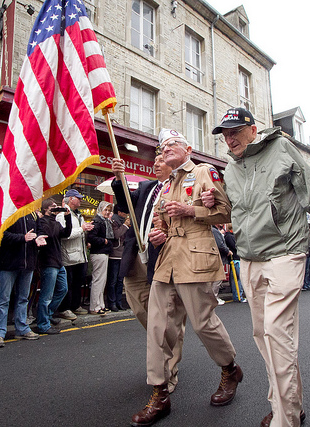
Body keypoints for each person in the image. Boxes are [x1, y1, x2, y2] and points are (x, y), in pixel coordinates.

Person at [209, 107, 310, 427]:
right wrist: (213, 204)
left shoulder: (281, 149)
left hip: (285, 254)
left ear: (252, 130)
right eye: (225, 135)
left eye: (235, 132)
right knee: (264, 335)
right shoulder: (231, 170)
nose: (230, 140)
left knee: (276, 335)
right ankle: (292, 405)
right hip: (250, 260)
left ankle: (285, 419)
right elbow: (235, 212)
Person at [130, 129, 241, 427]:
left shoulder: (205, 172)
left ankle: (230, 369)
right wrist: (158, 232)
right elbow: (160, 218)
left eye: (171, 145)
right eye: (161, 146)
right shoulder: (167, 184)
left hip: (196, 254)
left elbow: (225, 212)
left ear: (188, 148)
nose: (164, 149)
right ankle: (160, 393)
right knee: (157, 327)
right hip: (167, 258)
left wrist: (191, 209)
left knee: (203, 323)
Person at [111, 153, 186, 394]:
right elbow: (124, 205)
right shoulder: (145, 187)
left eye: (162, 159)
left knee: (163, 320)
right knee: (143, 311)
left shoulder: (180, 188)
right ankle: (168, 344)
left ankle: (167, 373)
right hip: (136, 260)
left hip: (163, 259)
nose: (155, 163)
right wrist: (118, 179)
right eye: (154, 159)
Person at [0, 213, 46, 348]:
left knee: (23, 298)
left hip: (28, 263)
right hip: (9, 262)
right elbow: (0, 234)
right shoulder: (7, 211)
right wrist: (23, 238)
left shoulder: (32, 213)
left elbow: (39, 230)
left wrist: (39, 237)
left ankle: (22, 328)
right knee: (3, 298)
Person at [36, 198, 73, 334]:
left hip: (58, 261)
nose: (57, 208)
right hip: (48, 262)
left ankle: (48, 314)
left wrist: (67, 218)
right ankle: (42, 324)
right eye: (53, 206)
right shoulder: (42, 222)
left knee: (63, 289)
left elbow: (66, 233)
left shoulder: (56, 222)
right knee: (46, 295)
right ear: (46, 209)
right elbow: (49, 234)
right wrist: (54, 216)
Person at [55, 189, 93, 319]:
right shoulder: (62, 215)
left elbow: (79, 232)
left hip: (80, 256)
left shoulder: (79, 215)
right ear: (70, 199)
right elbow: (65, 235)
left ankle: (75, 306)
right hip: (68, 256)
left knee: (78, 283)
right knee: (68, 284)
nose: (81, 200)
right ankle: (64, 308)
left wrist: (86, 229)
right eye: (79, 198)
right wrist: (81, 229)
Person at [87, 201, 114, 315]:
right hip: (98, 253)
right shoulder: (98, 221)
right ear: (100, 210)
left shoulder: (105, 221)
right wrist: (104, 241)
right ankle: (95, 306)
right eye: (105, 210)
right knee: (98, 280)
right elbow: (91, 237)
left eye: (109, 210)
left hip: (103, 252)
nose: (107, 212)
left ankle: (100, 305)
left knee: (102, 280)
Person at [105, 205, 130, 311]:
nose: (126, 215)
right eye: (124, 212)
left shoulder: (121, 221)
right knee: (113, 280)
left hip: (122, 254)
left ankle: (119, 302)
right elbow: (116, 235)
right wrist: (125, 225)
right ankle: (112, 302)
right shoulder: (113, 221)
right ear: (119, 212)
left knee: (120, 280)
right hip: (115, 254)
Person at [224, 223, 246, 301]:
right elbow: (235, 246)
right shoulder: (229, 236)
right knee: (237, 279)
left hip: (236, 259)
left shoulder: (230, 236)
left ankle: (239, 295)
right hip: (235, 259)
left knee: (238, 279)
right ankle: (238, 296)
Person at [211, 224, 231, 305]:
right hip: (218, 258)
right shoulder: (215, 231)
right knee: (217, 279)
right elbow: (220, 245)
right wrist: (228, 251)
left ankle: (214, 297)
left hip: (217, 258)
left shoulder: (215, 230)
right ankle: (214, 298)